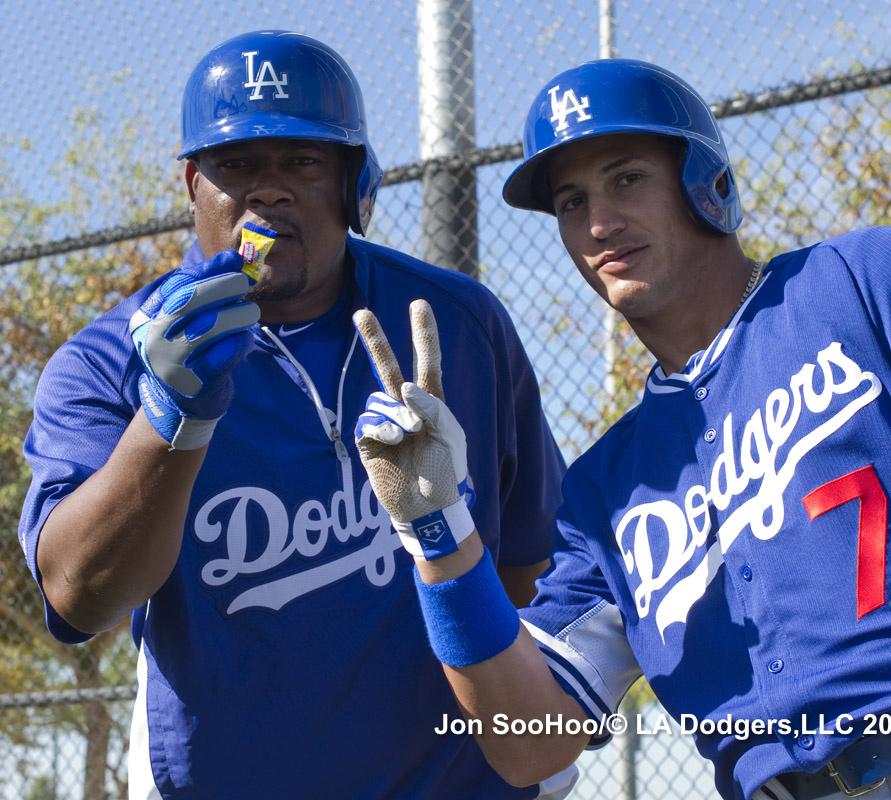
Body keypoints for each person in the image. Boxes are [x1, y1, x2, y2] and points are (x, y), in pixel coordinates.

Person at [351, 58, 891, 800]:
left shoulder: (860, 283)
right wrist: (439, 531)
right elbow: (529, 745)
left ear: (706, 182)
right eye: (571, 202)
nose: (598, 224)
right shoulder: (607, 490)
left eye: (627, 179)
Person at [17, 30, 572, 800]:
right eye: (236, 164)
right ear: (192, 186)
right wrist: (169, 419)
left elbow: (530, 566)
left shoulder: (454, 321)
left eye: (303, 162)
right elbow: (78, 596)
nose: (267, 190)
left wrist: (526, 740)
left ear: (353, 184)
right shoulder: (108, 359)